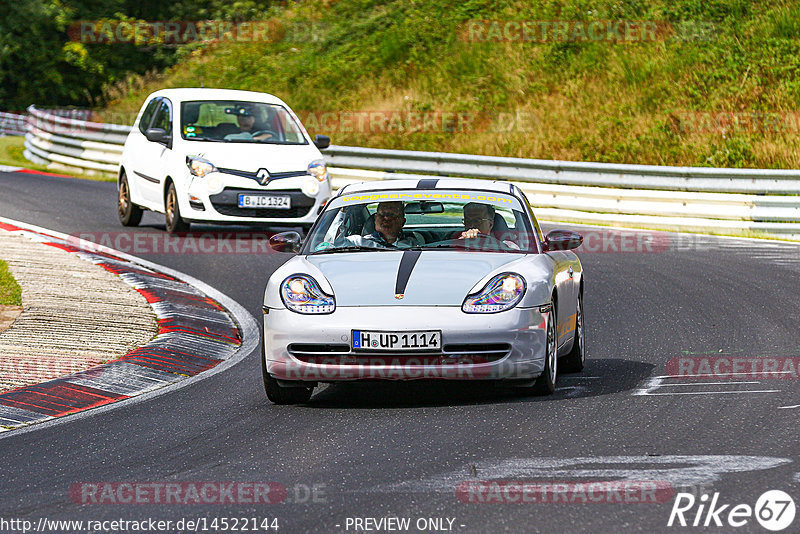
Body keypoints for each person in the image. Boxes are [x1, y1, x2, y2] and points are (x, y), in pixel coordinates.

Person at [346, 201, 419, 248]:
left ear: (402, 222)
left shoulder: (414, 244)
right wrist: (343, 211)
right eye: (382, 214)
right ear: (375, 219)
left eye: (392, 215)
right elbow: (336, 242)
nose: (386, 218)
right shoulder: (359, 242)